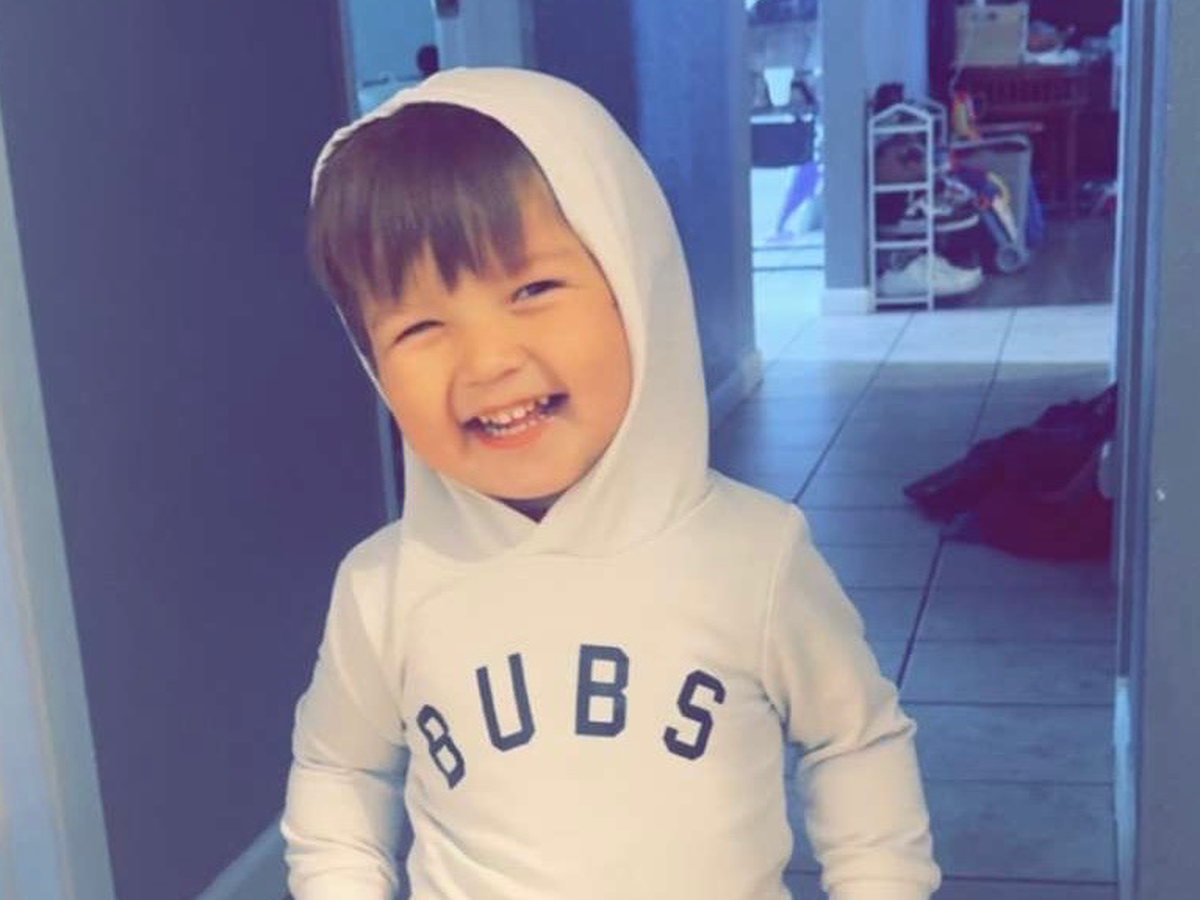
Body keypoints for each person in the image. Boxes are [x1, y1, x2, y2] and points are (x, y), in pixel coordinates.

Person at [281, 67, 941, 900]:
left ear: (634, 282)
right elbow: (340, 769)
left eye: (532, 289)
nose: (488, 361)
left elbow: (854, 742)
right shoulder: (384, 588)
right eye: (418, 327)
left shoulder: (754, 556)